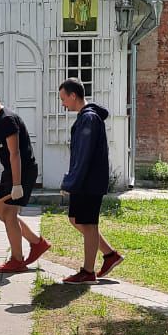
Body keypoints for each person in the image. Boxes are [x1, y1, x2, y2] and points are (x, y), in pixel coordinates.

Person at [0, 85, 50, 274]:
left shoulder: (6, 120)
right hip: (11, 171)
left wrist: (16, 184)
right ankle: (37, 243)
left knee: (9, 214)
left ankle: (17, 259)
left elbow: (15, 154)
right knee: (0, 211)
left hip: (21, 171)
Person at [57, 79, 122, 284]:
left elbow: (84, 155)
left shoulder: (89, 119)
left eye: (63, 98)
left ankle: (87, 272)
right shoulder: (86, 117)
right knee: (76, 220)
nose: (62, 104)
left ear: (73, 95)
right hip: (85, 180)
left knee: (89, 224)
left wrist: (71, 182)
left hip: (89, 182)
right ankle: (110, 255)